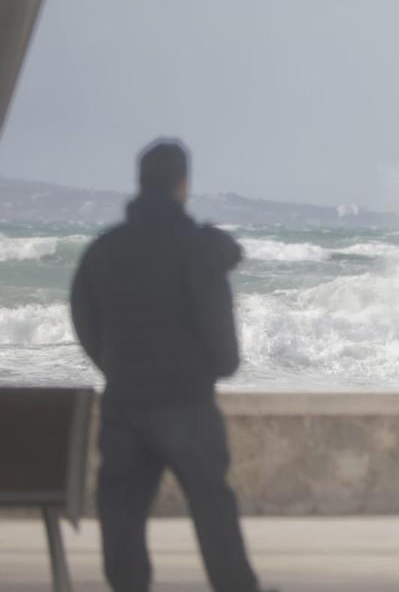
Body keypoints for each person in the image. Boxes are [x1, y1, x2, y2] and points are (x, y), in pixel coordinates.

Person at [70, 138, 270, 592]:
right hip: (187, 402)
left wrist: (114, 366)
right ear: (183, 185)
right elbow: (215, 319)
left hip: (125, 403)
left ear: (140, 183)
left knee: (121, 513)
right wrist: (221, 365)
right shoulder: (196, 249)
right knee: (211, 507)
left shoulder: (105, 249)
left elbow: (83, 315)